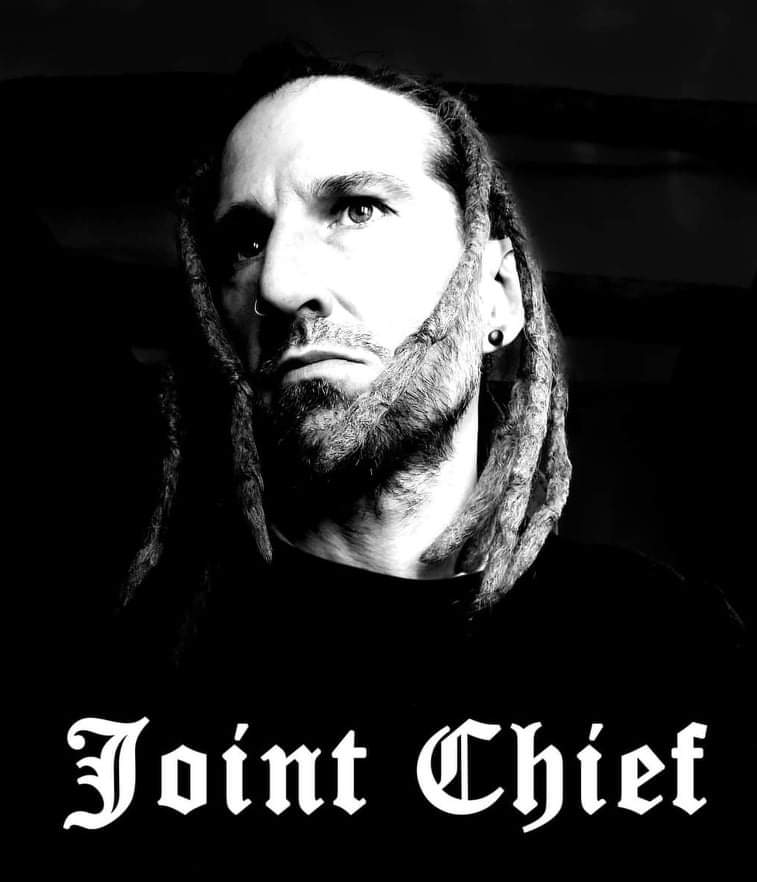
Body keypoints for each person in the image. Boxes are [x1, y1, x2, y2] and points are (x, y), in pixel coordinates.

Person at [59, 47, 751, 874]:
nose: (277, 283)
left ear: (496, 296)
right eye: (244, 240)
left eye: (356, 209)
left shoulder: (670, 647)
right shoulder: (129, 669)